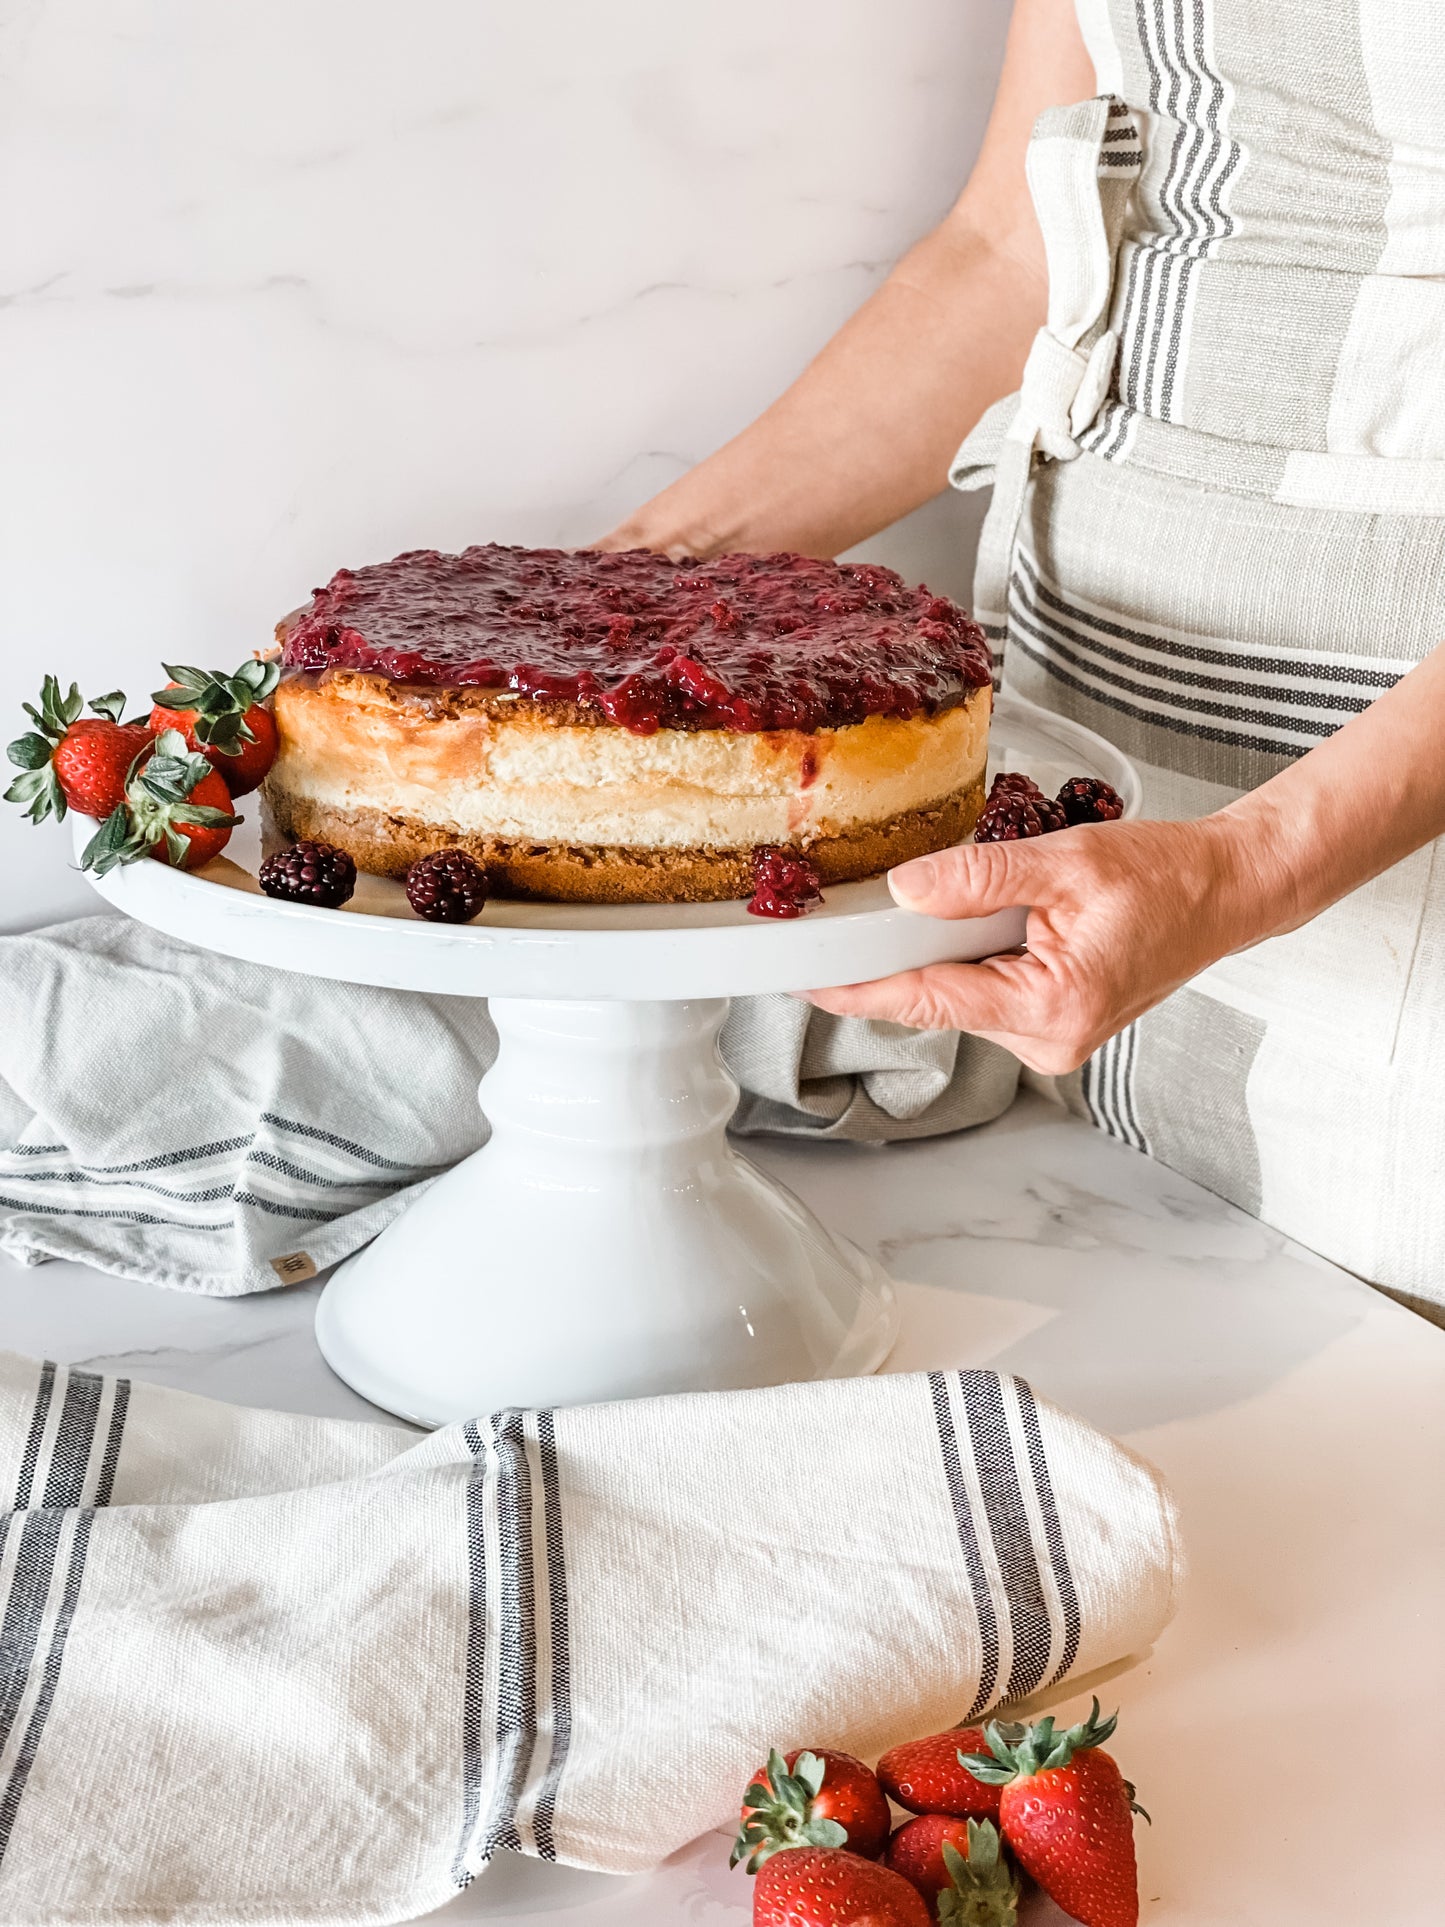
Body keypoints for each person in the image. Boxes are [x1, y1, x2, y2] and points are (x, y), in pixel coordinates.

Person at [602, 0, 1445, 1320]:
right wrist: (590, 605)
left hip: (1382, 862)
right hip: (1111, 825)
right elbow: (1006, 250)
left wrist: (1253, 861)